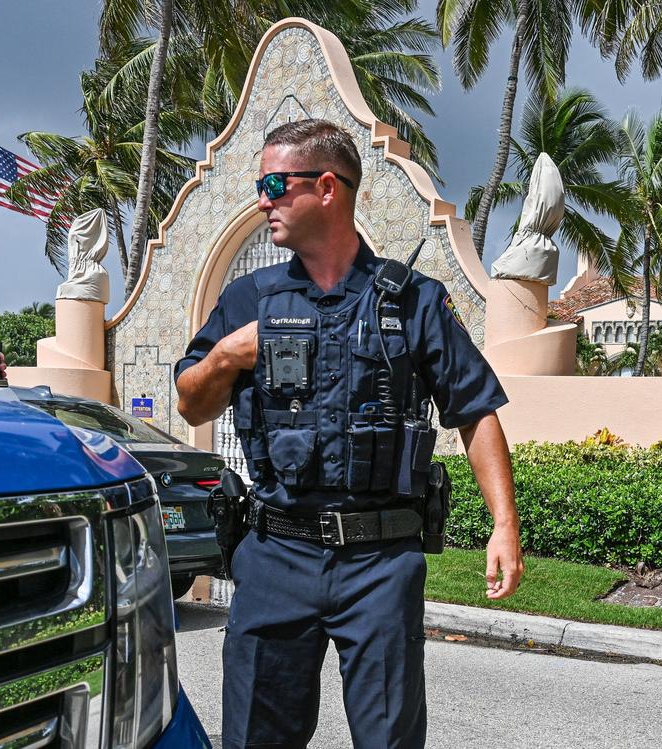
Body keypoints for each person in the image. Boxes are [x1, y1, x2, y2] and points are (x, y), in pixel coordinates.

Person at [175, 119, 523, 749]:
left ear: (328, 188)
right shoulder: (248, 298)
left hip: (380, 563)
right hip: (276, 552)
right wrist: (226, 355)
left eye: (276, 184)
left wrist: (504, 525)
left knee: (389, 738)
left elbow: (474, 409)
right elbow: (192, 404)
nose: (264, 200)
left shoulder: (414, 300)